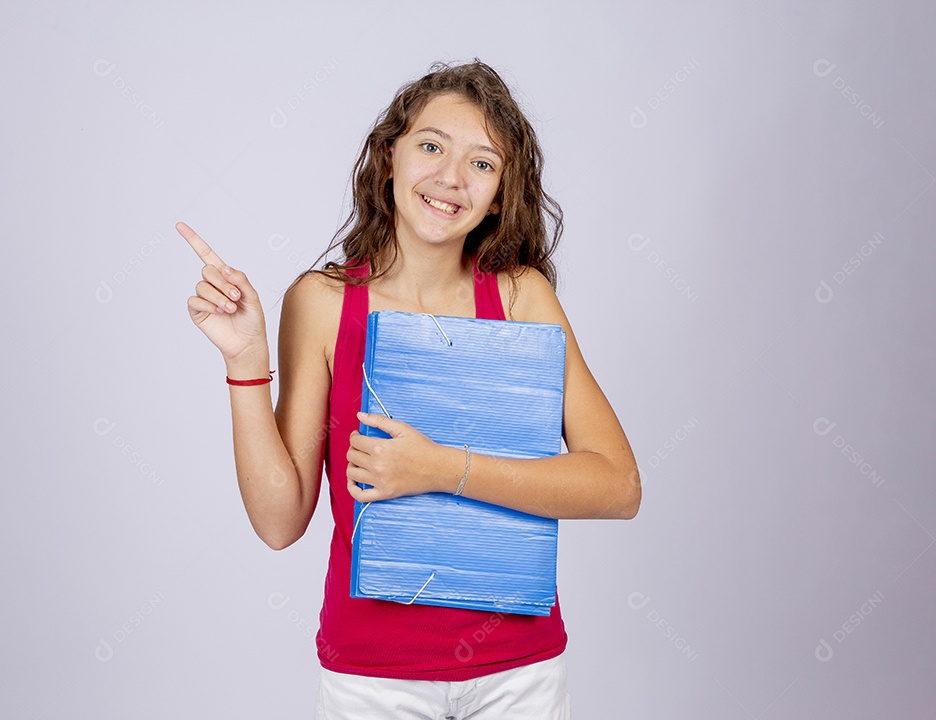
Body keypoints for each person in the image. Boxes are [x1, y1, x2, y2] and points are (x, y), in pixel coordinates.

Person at [180, 59, 640, 720]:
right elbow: (280, 523)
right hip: (371, 676)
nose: (451, 178)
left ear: (502, 192)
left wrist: (439, 469)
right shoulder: (322, 304)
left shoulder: (519, 297)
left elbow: (618, 486)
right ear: (388, 157)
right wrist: (247, 362)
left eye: (482, 164)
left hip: (519, 673)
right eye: (431, 146)